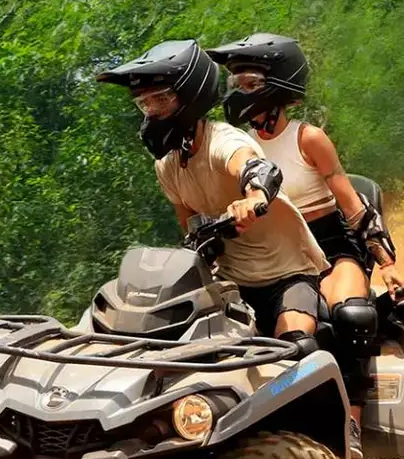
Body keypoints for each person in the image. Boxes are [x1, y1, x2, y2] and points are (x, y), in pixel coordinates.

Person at [204, 34, 402, 405]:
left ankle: (353, 420)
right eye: (235, 85)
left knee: (353, 317)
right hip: (272, 253)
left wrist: (386, 262)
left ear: (278, 86)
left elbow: (352, 203)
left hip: (327, 247)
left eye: (250, 85)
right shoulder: (236, 147)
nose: (239, 94)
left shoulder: (309, 139)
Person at [94, 39, 330, 351]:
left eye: (161, 99)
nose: (151, 111)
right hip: (230, 282)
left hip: (287, 276)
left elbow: (254, 165)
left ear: (190, 96)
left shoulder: (222, 140)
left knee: (295, 349)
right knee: (190, 353)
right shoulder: (166, 165)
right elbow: (189, 229)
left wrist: (254, 197)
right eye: (144, 103)